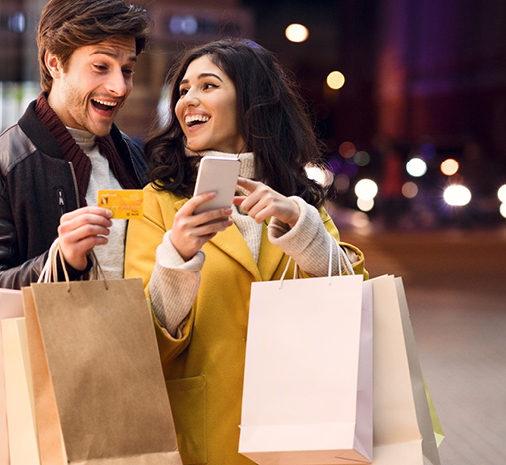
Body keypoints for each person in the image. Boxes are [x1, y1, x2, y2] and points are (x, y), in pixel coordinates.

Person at [124, 39, 368, 465]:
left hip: (298, 434)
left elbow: (356, 312)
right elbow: (138, 347)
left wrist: (302, 226)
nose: (188, 101)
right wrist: (177, 256)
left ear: (251, 102)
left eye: (207, 85)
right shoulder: (157, 203)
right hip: (204, 435)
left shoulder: (299, 204)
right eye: (183, 90)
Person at [0, 0, 151, 336]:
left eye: (127, 70)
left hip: (134, 371)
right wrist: (59, 263)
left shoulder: (135, 159)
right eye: (101, 67)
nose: (119, 87)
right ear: (54, 63)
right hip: (45, 380)